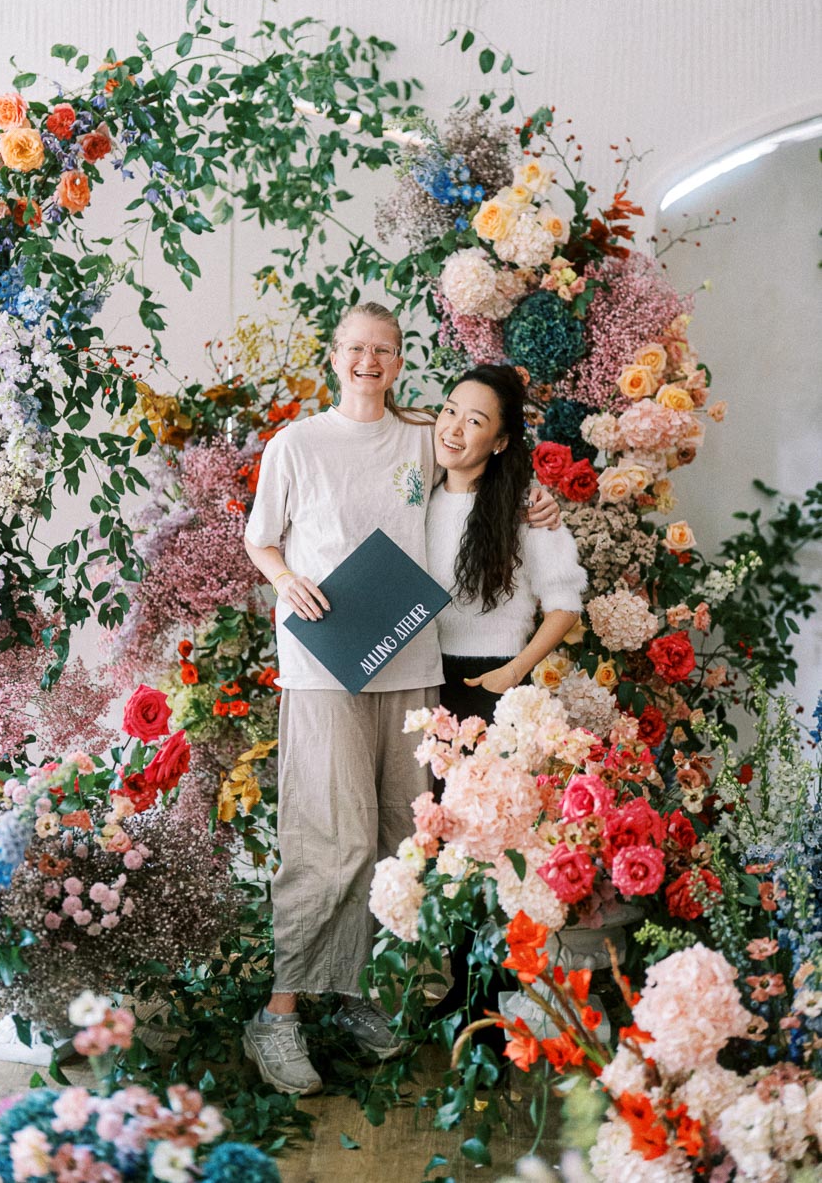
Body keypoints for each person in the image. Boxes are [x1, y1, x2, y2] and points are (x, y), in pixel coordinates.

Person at [241, 303, 560, 1096]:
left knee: (396, 842)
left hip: (411, 666)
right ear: (335, 354)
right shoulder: (297, 444)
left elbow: (486, 459)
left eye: (384, 350)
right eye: (356, 348)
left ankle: (356, 996)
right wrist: (284, 579)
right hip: (324, 664)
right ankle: (277, 1016)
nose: (369, 362)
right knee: (328, 839)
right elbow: (260, 537)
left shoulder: (425, 432)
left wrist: (541, 500)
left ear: (399, 358)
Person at [425, 362, 586, 1029]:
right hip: (426, 685)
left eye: (477, 420)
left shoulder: (524, 505)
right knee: (439, 846)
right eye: (451, 409)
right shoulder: (416, 493)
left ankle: (484, 1006)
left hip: (494, 689)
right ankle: (458, 992)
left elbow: (565, 607)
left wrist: (512, 673)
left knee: (493, 849)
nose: (456, 427)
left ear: (499, 441)